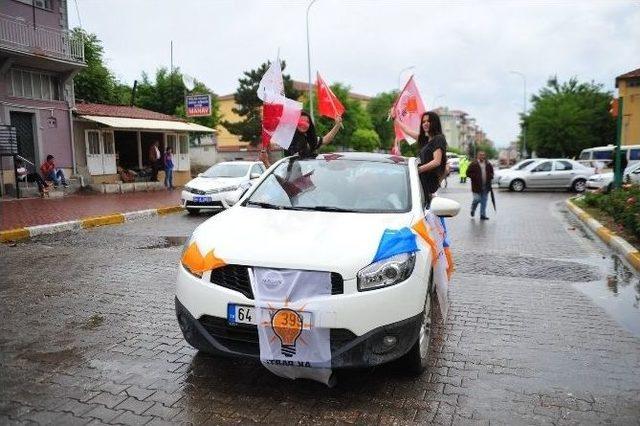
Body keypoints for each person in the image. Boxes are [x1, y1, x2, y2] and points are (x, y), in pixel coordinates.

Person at [394, 111, 447, 206]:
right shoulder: (425, 140)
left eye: (428, 121)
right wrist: (395, 119)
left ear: (434, 123)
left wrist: (417, 170)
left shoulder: (438, 139)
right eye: (423, 122)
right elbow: (406, 130)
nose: (425, 124)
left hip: (428, 183)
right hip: (421, 180)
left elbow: (437, 161)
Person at [259, 111, 342, 167]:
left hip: (310, 182)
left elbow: (326, 140)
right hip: (293, 182)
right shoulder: (287, 140)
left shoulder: (310, 141)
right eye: (301, 121)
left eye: (307, 122)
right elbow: (281, 176)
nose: (304, 124)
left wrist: (337, 125)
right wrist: (266, 162)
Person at [467, 151, 494, 220]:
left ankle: (482, 215)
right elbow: (468, 173)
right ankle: (473, 209)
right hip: (476, 186)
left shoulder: (488, 163)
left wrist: (490, 176)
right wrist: (475, 177)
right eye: (480, 155)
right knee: (476, 199)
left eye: (483, 155)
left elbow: (492, 172)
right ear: (477, 156)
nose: (482, 156)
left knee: (484, 202)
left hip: (486, 186)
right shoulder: (474, 164)